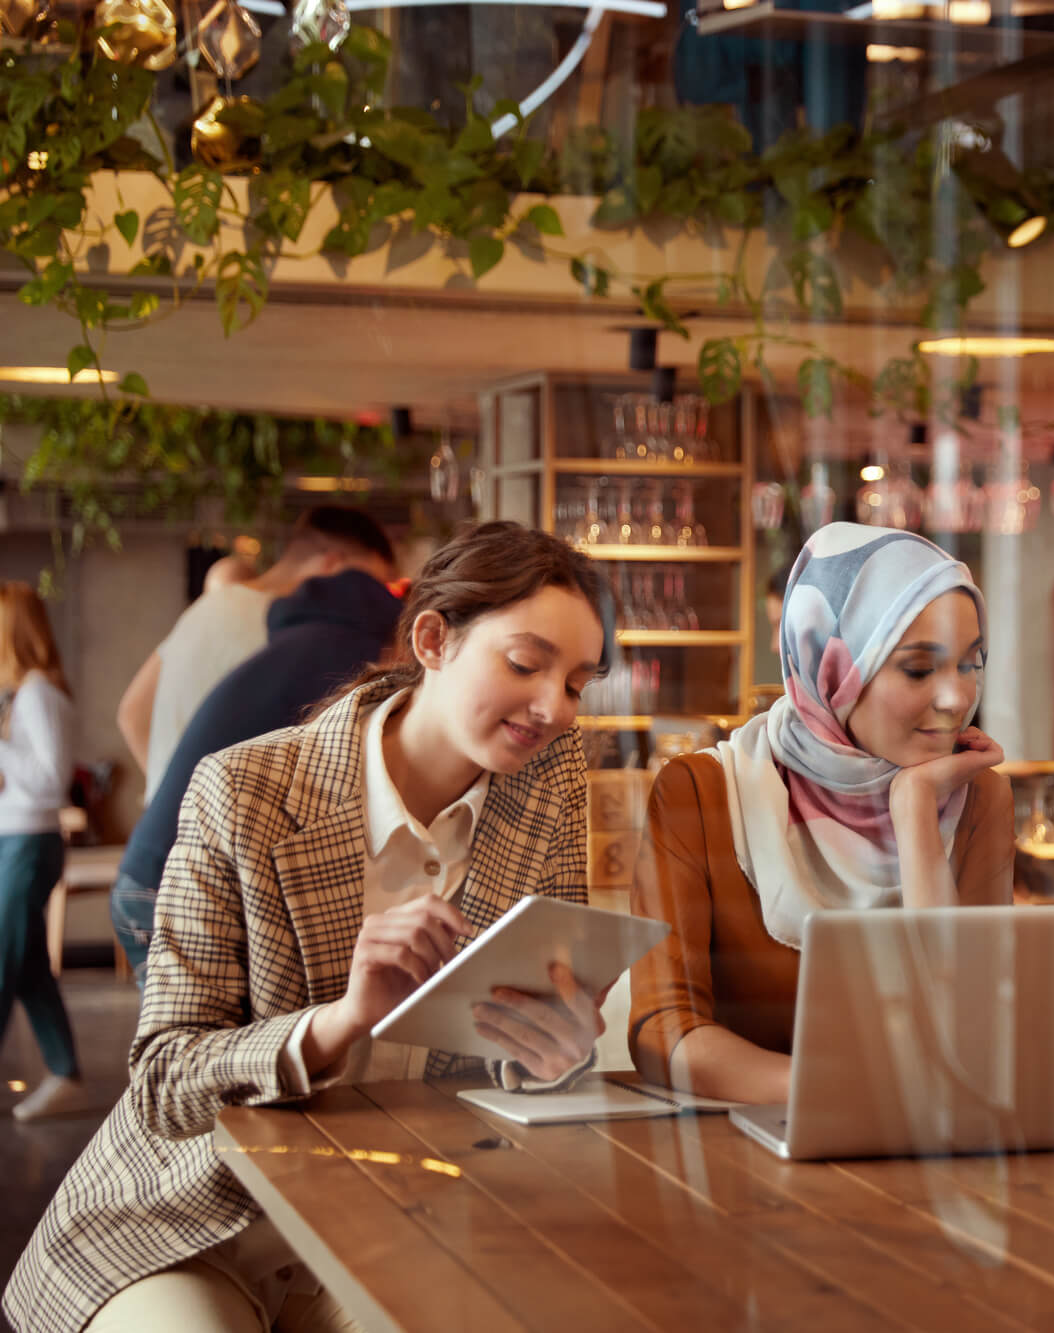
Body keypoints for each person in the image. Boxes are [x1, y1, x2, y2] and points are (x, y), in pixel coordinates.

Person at [8, 522, 610, 1333]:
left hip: (402, 1216)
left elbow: (517, 1042)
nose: (553, 708)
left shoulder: (550, 786)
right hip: (194, 1220)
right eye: (525, 663)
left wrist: (552, 1051)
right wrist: (340, 1021)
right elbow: (163, 1081)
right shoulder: (244, 790)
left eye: (577, 682)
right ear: (431, 639)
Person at [628, 523, 1013, 1105]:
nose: (955, 698)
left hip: (930, 1152)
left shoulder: (976, 797)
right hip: (744, 1157)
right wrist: (836, 1093)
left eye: (970, 664)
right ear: (831, 665)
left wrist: (912, 813)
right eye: (918, 669)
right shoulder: (703, 794)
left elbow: (968, 1032)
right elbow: (663, 1030)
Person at [108, 567, 405, 988]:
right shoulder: (347, 662)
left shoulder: (296, 646)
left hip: (155, 864)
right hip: (170, 880)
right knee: (195, 1042)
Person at [116, 506, 397, 800]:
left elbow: (132, 713)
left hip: (175, 825)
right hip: (222, 829)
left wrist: (168, 795)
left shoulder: (207, 607)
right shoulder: (291, 631)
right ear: (333, 566)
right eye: (373, 585)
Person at [0, 586, 82, 1121]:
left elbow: (52, 781)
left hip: (30, 843)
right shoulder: (20, 695)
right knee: (26, 965)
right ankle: (64, 1071)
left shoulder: (37, 695)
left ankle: (64, 1073)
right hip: (16, 839)